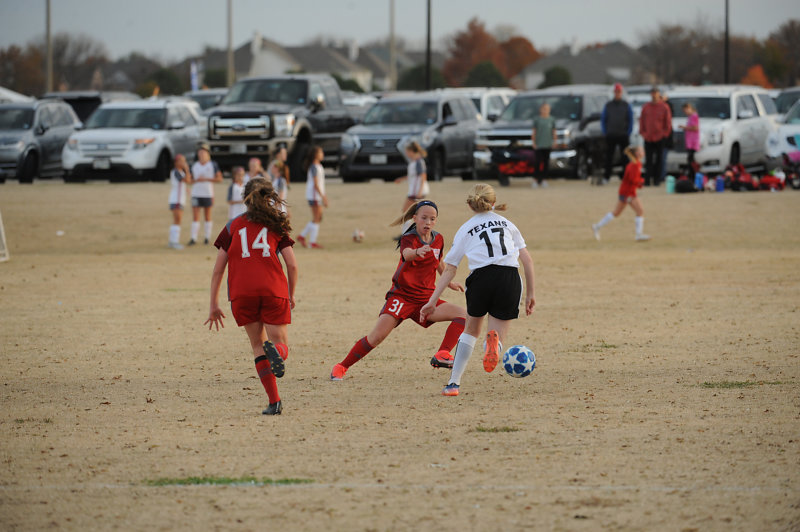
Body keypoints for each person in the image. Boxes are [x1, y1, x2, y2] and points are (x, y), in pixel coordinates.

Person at [420, 184, 536, 397]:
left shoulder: (466, 228)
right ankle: (493, 346)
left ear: (470, 205)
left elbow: (450, 269)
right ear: (493, 203)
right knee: (497, 334)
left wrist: (432, 300)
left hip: (481, 278)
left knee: (470, 331)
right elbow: (527, 260)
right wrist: (530, 294)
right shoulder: (508, 224)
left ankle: (453, 384)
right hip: (509, 278)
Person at [330, 200, 467, 380]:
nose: (428, 222)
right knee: (376, 337)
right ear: (415, 218)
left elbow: (438, 261)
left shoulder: (438, 239)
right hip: (402, 297)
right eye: (424, 218)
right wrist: (417, 252)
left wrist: (449, 282)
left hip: (426, 300)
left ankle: (442, 353)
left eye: (432, 219)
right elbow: (406, 254)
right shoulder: (409, 238)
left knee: (463, 315)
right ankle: (341, 366)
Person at [205, 178, 298, 416]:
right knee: (279, 343)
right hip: (272, 290)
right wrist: (290, 294)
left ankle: (274, 402)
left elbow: (218, 270)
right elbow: (292, 265)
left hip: (242, 293)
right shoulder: (276, 224)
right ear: (270, 197)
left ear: (245, 199)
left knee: (258, 345)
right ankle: (278, 353)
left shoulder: (232, 226)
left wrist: (213, 304)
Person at [591, 145, 650, 242]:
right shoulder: (634, 165)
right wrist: (641, 181)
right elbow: (633, 180)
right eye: (641, 151)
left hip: (628, 192)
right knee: (638, 211)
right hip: (628, 193)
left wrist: (639, 183)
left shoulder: (636, 164)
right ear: (636, 153)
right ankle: (638, 235)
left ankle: (597, 226)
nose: (643, 152)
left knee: (617, 212)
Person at [189, 143, 223, 245]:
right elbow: (189, 180)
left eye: (204, 153)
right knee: (195, 216)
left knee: (207, 216)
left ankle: (207, 237)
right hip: (196, 193)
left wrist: (206, 179)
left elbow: (219, 178)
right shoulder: (195, 165)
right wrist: (196, 180)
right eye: (200, 153)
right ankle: (193, 238)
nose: (202, 155)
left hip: (208, 193)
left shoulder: (212, 165)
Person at [638, 87, 672, 186]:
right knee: (648, 160)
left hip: (660, 137)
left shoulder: (664, 107)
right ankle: (647, 180)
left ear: (658, 94)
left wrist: (665, 134)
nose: (654, 95)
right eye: (652, 93)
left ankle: (657, 180)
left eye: (656, 93)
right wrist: (643, 133)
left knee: (659, 159)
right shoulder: (646, 107)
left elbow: (668, 122)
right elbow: (642, 120)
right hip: (648, 137)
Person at [601, 83, 633, 185]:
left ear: (621, 93)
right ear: (614, 92)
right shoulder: (608, 105)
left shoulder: (626, 105)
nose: (617, 93)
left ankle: (626, 177)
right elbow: (603, 119)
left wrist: (628, 132)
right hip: (611, 134)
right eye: (616, 91)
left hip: (623, 135)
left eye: (619, 92)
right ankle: (606, 177)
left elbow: (630, 120)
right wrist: (605, 132)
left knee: (625, 157)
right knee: (609, 157)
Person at [394, 141, 429, 234]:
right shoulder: (414, 162)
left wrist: (420, 191)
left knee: (407, 212)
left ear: (411, 151)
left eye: (407, 152)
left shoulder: (419, 162)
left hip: (416, 192)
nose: (406, 154)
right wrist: (401, 179)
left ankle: (406, 233)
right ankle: (410, 233)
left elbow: (423, 176)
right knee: (413, 213)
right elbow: (412, 176)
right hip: (414, 191)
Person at [296, 146, 327, 249]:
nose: (322, 154)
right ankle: (312, 242)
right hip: (314, 196)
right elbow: (316, 184)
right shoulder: (314, 167)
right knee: (317, 218)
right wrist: (323, 197)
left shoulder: (318, 166)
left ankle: (302, 236)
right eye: (321, 152)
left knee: (318, 217)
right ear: (316, 155)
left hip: (317, 195)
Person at [167, 154, 191, 250]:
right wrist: (187, 170)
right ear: (176, 162)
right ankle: (174, 242)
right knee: (177, 220)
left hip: (180, 199)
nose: (184, 163)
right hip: (176, 199)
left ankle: (172, 241)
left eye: (184, 161)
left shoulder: (180, 172)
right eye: (181, 161)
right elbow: (187, 180)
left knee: (177, 220)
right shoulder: (175, 171)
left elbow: (184, 182)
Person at [530, 102, 556, 188]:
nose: (545, 111)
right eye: (544, 109)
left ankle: (544, 179)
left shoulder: (551, 119)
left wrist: (554, 142)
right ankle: (535, 179)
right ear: (540, 110)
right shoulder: (537, 120)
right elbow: (534, 132)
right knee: (537, 162)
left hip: (547, 144)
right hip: (539, 144)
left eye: (547, 109)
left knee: (546, 163)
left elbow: (554, 131)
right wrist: (533, 143)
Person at [267, 146, 290, 215]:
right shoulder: (275, 164)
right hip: (275, 203)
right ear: (278, 154)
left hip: (277, 203)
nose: (285, 155)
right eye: (283, 153)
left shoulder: (280, 165)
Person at [679, 102, 700, 173]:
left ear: (689, 108)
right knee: (690, 159)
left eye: (685, 110)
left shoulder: (694, 116)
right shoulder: (690, 117)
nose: (685, 112)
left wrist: (684, 127)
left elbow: (695, 128)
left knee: (691, 159)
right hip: (689, 142)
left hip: (693, 142)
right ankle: (692, 173)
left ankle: (693, 173)